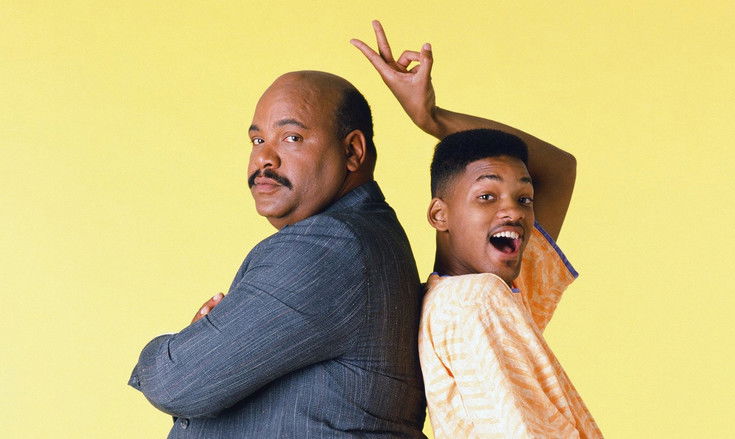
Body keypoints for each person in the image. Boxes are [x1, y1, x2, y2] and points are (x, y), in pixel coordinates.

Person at [128, 71, 427, 438]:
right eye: (257, 140)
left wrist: (173, 349)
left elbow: (175, 381)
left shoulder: (327, 246)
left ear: (352, 151)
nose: (263, 159)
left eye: (291, 138)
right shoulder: (364, 235)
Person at [352, 21, 603, 438]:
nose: (514, 211)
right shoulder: (477, 301)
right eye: (487, 196)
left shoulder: (478, 295)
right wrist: (432, 121)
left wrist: (433, 118)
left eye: (524, 198)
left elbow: (559, 169)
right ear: (439, 216)